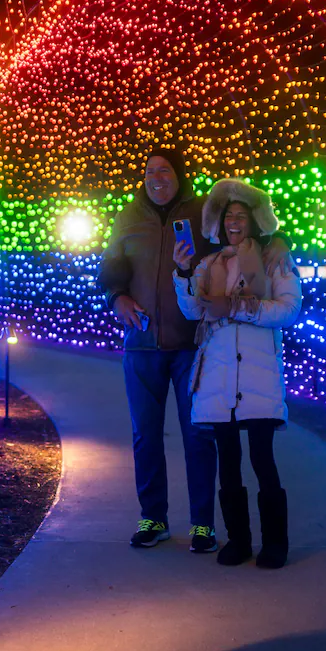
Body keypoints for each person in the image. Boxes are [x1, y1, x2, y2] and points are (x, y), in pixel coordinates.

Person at [172, 178, 302, 569]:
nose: (234, 221)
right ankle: (238, 540)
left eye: (241, 215)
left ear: (254, 221)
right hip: (218, 379)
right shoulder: (208, 264)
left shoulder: (273, 261)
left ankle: (275, 543)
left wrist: (238, 308)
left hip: (258, 377)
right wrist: (181, 274)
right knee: (228, 463)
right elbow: (193, 310)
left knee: (263, 461)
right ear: (218, 221)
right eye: (228, 215)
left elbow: (289, 310)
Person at [97, 148, 222, 551]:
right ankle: (153, 517)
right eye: (150, 172)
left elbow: (228, 255)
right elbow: (112, 267)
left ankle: (203, 523)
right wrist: (117, 298)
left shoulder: (203, 213)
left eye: (165, 171)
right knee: (145, 435)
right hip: (142, 344)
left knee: (198, 433)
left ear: (180, 176)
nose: (157, 178)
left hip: (192, 346)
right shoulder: (128, 217)